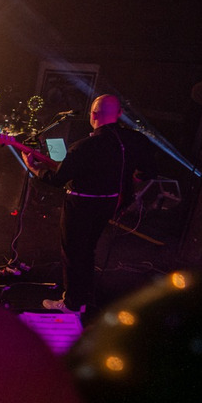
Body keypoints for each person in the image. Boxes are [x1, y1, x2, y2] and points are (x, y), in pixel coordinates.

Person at [22, 94, 157, 315]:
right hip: (111, 203)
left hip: (81, 204)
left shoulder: (84, 146)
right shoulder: (135, 140)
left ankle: (72, 303)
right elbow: (148, 171)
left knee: (74, 252)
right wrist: (126, 182)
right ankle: (82, 296)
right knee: (88, 249)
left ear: (93, 115)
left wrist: (34, 168)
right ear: (120, 114)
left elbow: (56, 180)